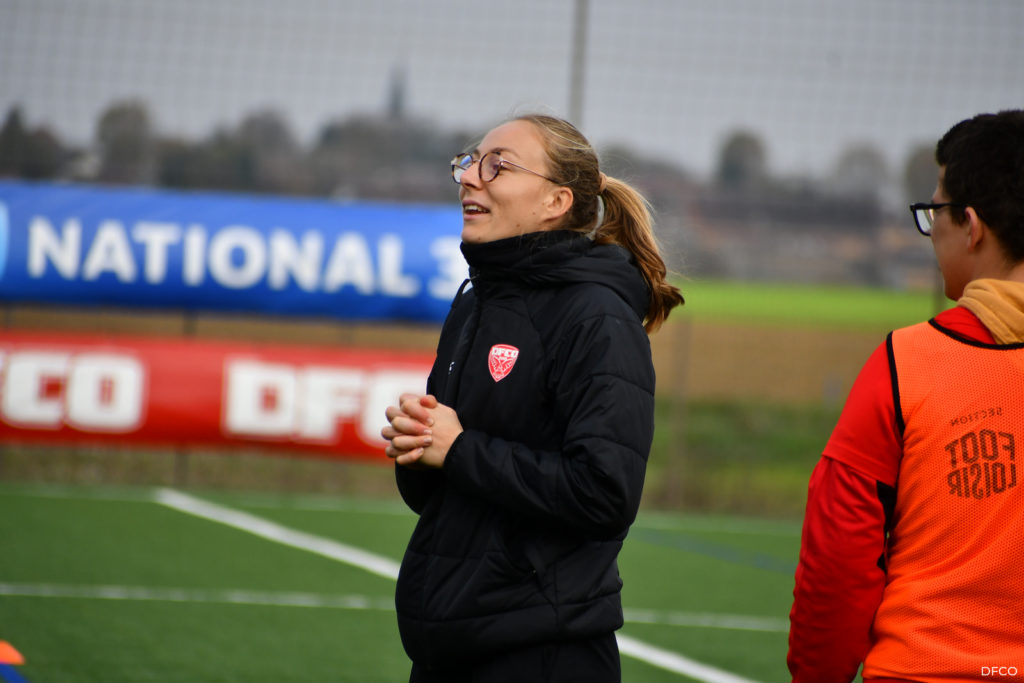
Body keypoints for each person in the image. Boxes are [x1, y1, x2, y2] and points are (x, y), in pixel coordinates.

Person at [380, 113, 684, 682]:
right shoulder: (476, 302)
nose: (472, 177)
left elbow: (603, 494)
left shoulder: (597, 317)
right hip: (449, 648)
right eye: (471, 161)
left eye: (499, 166)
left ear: (555, 201)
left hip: (541, 654)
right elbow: (444, 496)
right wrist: (418, 449)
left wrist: (460, 449)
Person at [788, 109, 1024, 682]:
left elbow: (839, 554)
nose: (931, 229)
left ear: (971, 226)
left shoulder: (906, 363)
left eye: (934, 211)